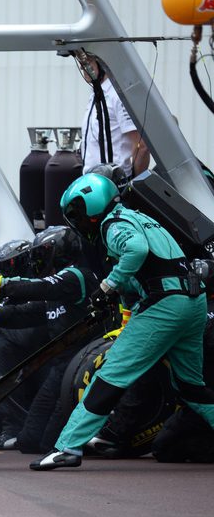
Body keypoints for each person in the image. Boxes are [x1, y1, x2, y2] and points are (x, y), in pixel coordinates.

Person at [31, 172, 214, 470]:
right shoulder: (143, 218)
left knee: (111, 375)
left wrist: (107, 286)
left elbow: (136, 251)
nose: (78, 221)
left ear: (91, 203)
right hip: (192, 303)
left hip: (166, 305)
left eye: (77, 213)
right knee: (190, 386)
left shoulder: (112, 224)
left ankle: (68, 447)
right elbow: (149, 267)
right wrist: (120, 299)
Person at [0, 227, 99, 452]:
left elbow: (37, 288)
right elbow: (26, 314)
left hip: (82, 366)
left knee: (50, 442)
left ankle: (93, 436)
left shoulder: (77, 276)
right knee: (29, 442)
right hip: (60, 367)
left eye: (41, 255)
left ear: (58, 252)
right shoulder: (54, 290)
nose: (36, 261)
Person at [79, 56, 150, 178]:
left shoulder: (117, 96)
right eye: (81, 63)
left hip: (113, 183)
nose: (81, 67)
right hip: (93, 182)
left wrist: (135, 183)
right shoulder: (96, 94)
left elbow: (142, 146)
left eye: (87, 61)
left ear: (102, 63)